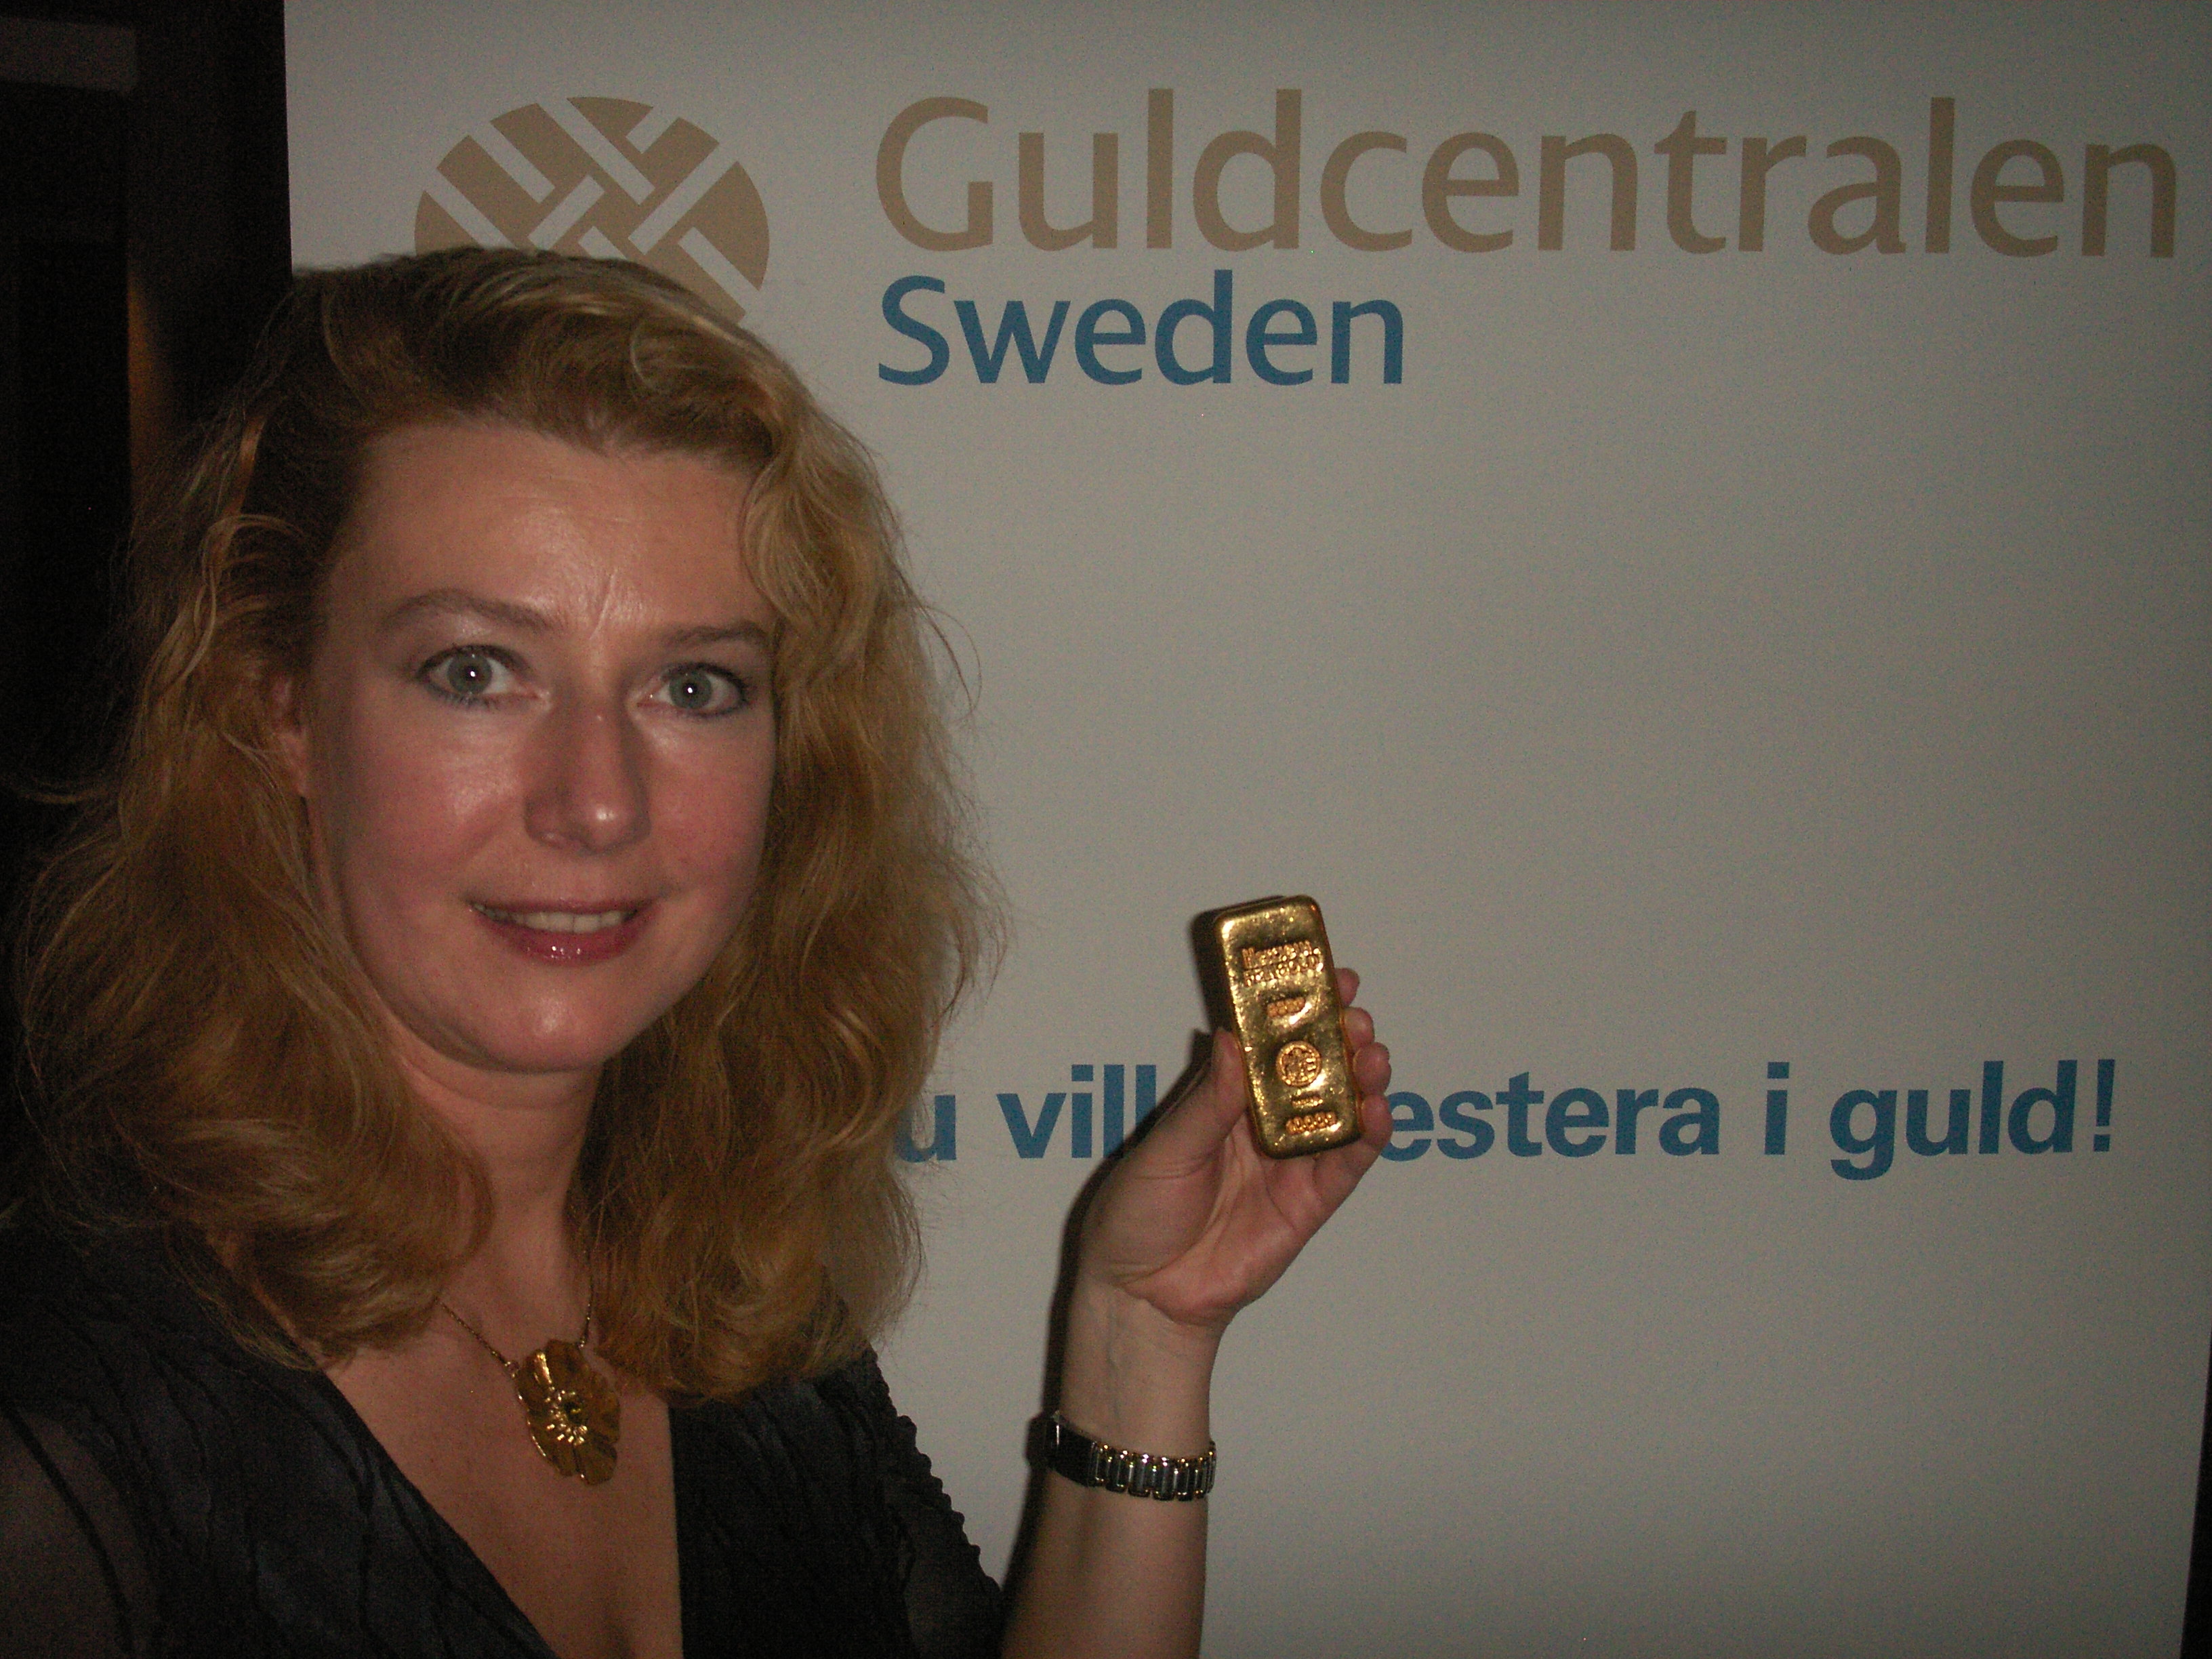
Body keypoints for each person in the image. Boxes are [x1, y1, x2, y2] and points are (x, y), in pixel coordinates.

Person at [0, 247, 1391, 1658]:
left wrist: (1141, 1336)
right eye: (476, 671)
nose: (598, 802)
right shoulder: (60, 1427)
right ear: (279, 709)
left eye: (693, 684)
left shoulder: (728, 1302)